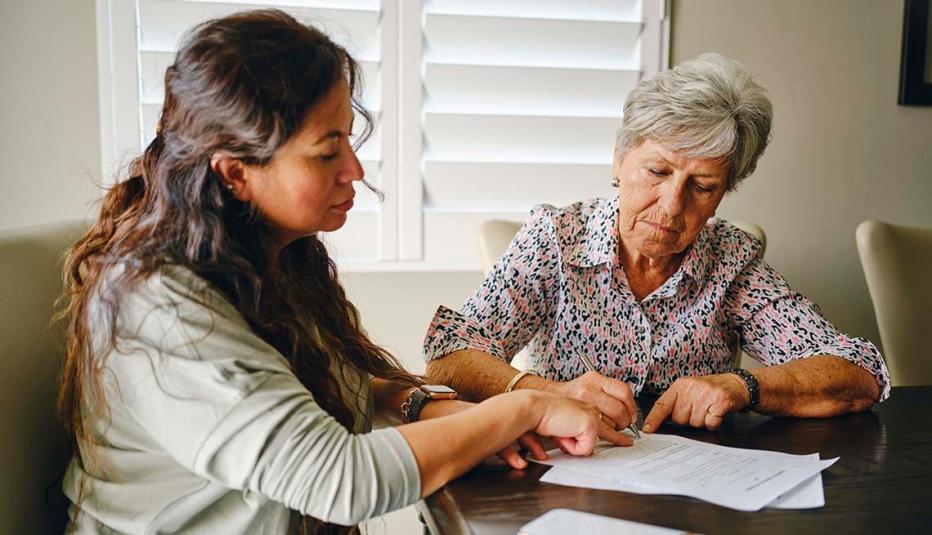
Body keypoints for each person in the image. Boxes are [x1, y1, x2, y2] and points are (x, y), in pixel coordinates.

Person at [56, 10, 629, 534]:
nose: (354, 170)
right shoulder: (160, 304)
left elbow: (340, 383)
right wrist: (520, 407)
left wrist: (431, 406)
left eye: (349, 142)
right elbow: (340, 480)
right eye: (326, 152)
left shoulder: (268, 257)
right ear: (235, 173)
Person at [423, 53, 890, 436]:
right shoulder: (556, 239)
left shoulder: (733, 262)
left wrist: (742, 384)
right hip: (568, 471)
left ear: (723, 194)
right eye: (657, 172)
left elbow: (858, 373)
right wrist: (547, 391)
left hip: (694, 487)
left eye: (702, 185)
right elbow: (449, 355)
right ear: (620, 160)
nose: (670, 206)